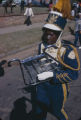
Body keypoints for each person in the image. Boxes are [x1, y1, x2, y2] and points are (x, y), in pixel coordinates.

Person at [34, 9, 80, 120]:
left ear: (59, 35)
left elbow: (73, 74)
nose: (47, 37)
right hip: (41, 85)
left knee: (57, 110)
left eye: (51, 34)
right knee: (39, 110)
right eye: (45, 32)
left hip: (58, 87)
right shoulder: (41, 45)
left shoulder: (68, 50)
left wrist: (52, 75)